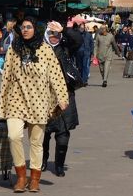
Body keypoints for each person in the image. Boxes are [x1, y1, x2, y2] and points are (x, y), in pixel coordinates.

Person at [0, 16, 69, 192]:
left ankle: (34, 178)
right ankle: (21, 176)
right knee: (14, 136)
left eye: (29, 27)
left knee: (36, 142)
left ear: (36, 29)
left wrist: (62, 97)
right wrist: (2, 102)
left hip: (39, 101)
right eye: (23, 27)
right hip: (16, 99)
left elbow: (56, 74)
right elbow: (6, 77)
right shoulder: (14, 50)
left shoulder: (45, 50)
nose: (26, 30)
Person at [41, 21, 82, 177]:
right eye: (51, 34)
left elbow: (78, 40)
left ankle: (58, 165)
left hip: (66, 95)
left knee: (63, 134)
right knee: (43, 132)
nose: (53, 37)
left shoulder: (65, 48)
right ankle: (43, 160)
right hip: (44, 96)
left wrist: (64, 29)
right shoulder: (40, 49)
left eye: (56, 34)